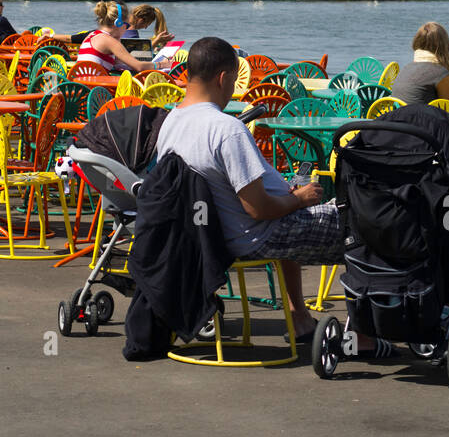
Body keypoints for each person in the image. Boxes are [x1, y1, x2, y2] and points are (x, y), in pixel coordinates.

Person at [155, 37, 364, 348]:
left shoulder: (171, 122)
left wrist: (287, 198)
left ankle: (300, 320)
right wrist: (298, 198)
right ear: (223, 78)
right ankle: (365, 336)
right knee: (363, 226)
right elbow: (258, 209)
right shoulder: (225, 128)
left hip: (208, 235)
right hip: (253, 235)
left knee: (295, 207)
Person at [76, 2, 160, 75]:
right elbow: (139, 66)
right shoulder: (109, 41)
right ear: (118, 24)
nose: (126, 29)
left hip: (79, 85)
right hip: (95, 89)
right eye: (126, 25)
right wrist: (163, 64)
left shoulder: (91, 35)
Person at [390, 21, 449, 105]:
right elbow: (448, 109)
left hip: (394, 116)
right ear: (444, 46)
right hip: (419, 117)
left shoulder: (406, 68)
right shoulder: (441, 73)